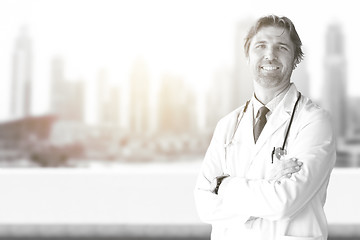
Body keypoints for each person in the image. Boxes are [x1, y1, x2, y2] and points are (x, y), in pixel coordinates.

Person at [194, 15, 336, 240]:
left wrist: (222, 184)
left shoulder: (314, 121)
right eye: (261, 46)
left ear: (295, 58)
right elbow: (204, 205)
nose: (270, 55)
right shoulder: (227, 125)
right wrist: (269, 185)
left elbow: (283, 202)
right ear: (247, 55)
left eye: (281, 47)